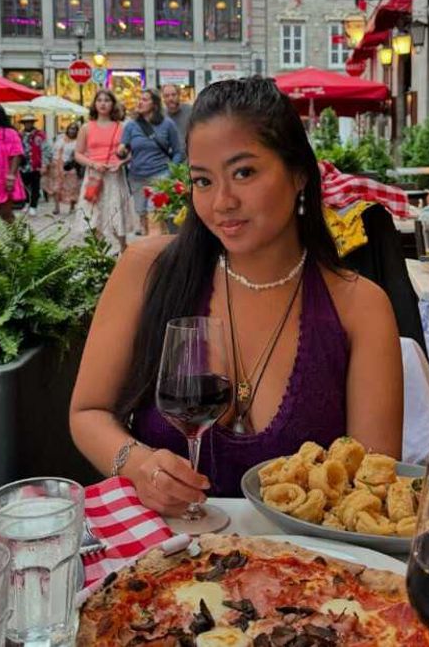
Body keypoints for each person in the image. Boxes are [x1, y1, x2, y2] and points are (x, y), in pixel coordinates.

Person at [68, 76, 403, 514]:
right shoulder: (147, 271)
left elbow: (369, 490)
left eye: (243, 172)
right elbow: (88, 412)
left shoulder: (360, 306)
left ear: (299, 173)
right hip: (162, 564)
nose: (222, 201)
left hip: (307, 572)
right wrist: (139, 464)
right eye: (203, 181)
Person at [76, 90, 137, 252]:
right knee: (95, 213)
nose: (103, 103)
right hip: (94, 176)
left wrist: (122, 163)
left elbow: (132, 152)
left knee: (116, 210)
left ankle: (124, 247)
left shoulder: (122, 127)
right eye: (100, 100)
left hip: (114, 175)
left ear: (113, 104)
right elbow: (78, 154)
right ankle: (98, 251)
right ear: (95, 104)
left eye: (107, 100)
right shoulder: (86, 128)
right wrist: (93, 164)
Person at [120, 88, 185, 235]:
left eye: (144, 99)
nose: (140, 102)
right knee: (142, 215)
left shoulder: (167, 124)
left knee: (154, 215)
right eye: (139, 99)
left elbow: (178, 151)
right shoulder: (131, 125)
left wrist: (170, 172)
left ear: (154, 104)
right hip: (137, 177)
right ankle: (155, 246)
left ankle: (155, 254)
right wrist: (121, 152)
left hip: (160, 175)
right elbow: (123, 149)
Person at [44, 123, 81, 215]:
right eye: (70, 128)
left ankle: (72, 207)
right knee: (56, 187)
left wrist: (73, 160)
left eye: (74, 129)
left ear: (77, 131)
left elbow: (78, 155)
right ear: (67, 129)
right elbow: (53, 150)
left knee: (72, 187)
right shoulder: (60, 138)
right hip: (56, 165)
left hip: (68, 166)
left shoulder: (78, 142)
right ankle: (56, 208)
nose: (72, 131)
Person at [17, 114, 47, 217]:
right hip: (23, 164)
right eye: (26, 122)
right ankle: (26, 203)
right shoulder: (19, 135)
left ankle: (33, 206)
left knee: (35, 187)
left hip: (35, 164)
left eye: (30, 122)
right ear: (24, 124)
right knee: (23, 185)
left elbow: (45, 150)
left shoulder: (40, 135)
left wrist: (44, 164)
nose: (28, 124)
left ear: (33, 123)